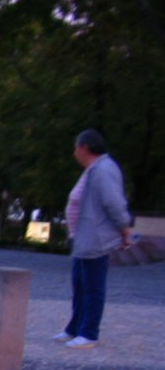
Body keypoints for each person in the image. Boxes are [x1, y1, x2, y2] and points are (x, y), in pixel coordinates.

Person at [53, 129, 133, 349]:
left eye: (76, 148)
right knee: (80, 285)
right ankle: (75, 328)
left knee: (93, 287)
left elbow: (114, 203)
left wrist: (125, 228)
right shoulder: (94, 169)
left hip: (95, 239)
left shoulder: (104, 170)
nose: (74, 153)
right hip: (83, 238)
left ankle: (89, 333)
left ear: (84, 148)